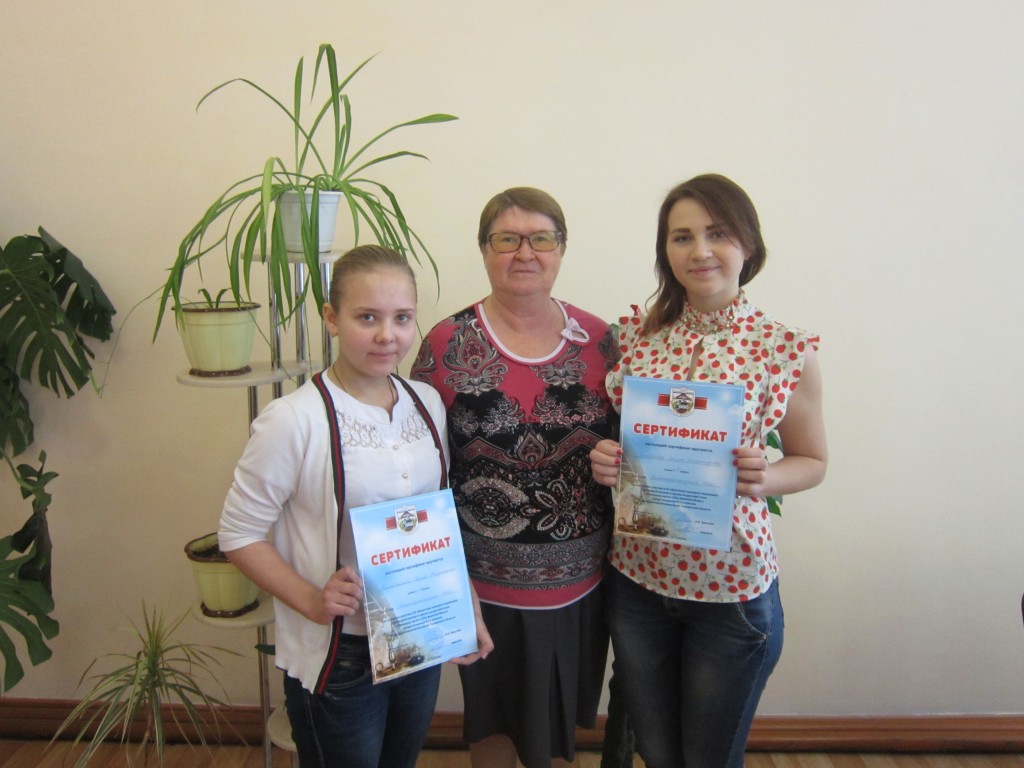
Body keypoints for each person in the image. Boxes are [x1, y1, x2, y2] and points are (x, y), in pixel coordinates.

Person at [219, 244, 492, 768]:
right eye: (367, 317)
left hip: (417, 633)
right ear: (332, 318)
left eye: (402, 317)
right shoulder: (292, 421)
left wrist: (467, 604)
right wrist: (310, 599)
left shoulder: (425, 403)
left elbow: (437, 517)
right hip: (341, 652)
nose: (388, 335)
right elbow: (237, 534)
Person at [590, 173, 828, 768]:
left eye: (717, 233)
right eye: (682, 237)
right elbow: (623, 445)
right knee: (658, 752)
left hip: (730, 593)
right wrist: (608, 458)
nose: (700, 251)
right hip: (639, 582)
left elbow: (813, 461)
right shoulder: (635, 338)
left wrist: (765, 477)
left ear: (748, 243)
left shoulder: (783, 349)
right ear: (665, 251)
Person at [411, 187, 617, 768]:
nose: (525, 252)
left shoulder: (602, 341)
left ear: (561, 249)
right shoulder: (445, 344)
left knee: (556, 730)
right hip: (483, 585)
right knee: (493, 726)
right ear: (484, 250)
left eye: (541, 238)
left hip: (582, 582)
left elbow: (633, 448)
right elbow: (419, 464)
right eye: (507, 239)